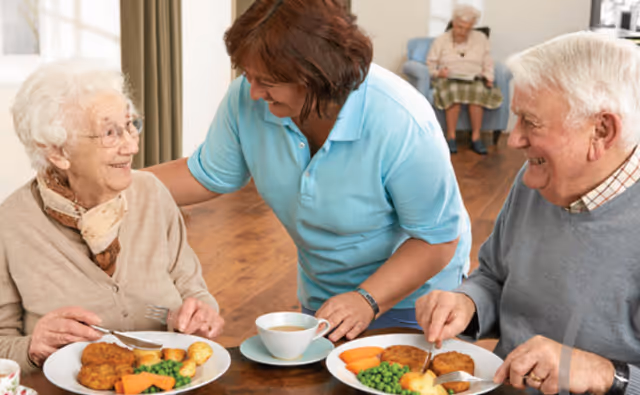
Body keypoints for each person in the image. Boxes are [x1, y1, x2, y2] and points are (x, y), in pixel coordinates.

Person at [149, 0, 471, 343]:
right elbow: (206, 174)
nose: (253, 92)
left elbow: (436, 241)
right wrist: (112, 182)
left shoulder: (401, 120)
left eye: (267, 81)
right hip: (326, 298)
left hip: (417, 303)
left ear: (318, 76)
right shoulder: (248, 98)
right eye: (248, 75)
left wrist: (367, 299)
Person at [416, 32, 640, 395]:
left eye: (529, 122)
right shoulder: (535, 179)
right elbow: (493, 275)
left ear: (601, 130)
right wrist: (467, 302)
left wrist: (603, 374)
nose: (513, 139)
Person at [0, 61, 224, 373]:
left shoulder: (152, 194)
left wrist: (201, 317)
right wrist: (31, 348)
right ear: (57, 152)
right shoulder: (10, 224)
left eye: (131, 125)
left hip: (163, 384)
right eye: (110, 133)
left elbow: (193, 290)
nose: (132, 145)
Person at [426, 4, 503, 155]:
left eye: (468, 28)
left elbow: (488, 61)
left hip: (473, 77)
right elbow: (430, 63)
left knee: (478, 93)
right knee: (454, 92)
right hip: (448, 78)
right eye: (460, 27)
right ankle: (451, 137)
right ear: (454, 23)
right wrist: (438, 73)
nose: (463, 31)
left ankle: (476, 138)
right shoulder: (441, 40)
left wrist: (489, 77)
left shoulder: (481, 38)